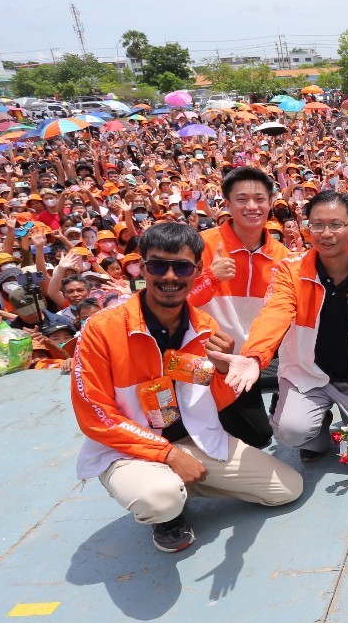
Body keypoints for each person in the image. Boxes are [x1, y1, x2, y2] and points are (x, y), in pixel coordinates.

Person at [71, 223, 302, 553]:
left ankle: (175, 482)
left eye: (181, 267)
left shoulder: (204, 326)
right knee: (160, 500)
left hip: (190, 438)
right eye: (157, 265)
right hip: (129, 450)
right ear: (142, 269)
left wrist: (223, 368)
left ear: (196, 272)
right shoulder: (102, 329)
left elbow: (213, 396)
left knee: (286, 488)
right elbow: (95, 415)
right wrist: (168, 454)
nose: (169, 276)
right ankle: (165, 507)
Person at [213, 191, 348, 469]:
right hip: (308, 376)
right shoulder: (290, 272)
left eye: (336, 225)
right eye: (317, 225)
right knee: (291, 432)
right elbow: (273, 314)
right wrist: (254, 356)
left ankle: (347, 432)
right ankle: (319, 432)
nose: (326, 233)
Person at [188, 167, 289, 449]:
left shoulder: (283, 257)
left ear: (271, 203)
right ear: (227, 204)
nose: (252, 206)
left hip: (249, 362)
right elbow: (170, 305)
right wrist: (210, 278)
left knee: (258, 436)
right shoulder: (199, 246)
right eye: (242, 199)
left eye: (259, 198)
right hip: (204, 360)